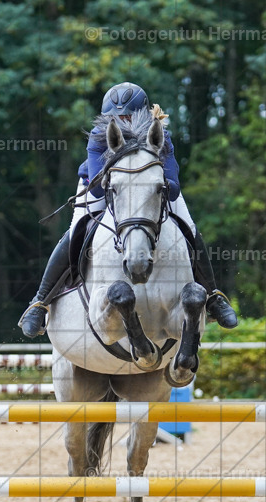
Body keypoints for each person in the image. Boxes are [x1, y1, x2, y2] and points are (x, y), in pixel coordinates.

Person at [18, 82, 238, 337]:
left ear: (142, 115)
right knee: (76, 229)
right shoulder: (100, 135)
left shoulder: (160, 135)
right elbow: (98, 190)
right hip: (103, 185)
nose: (122, 121)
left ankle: (213, 296)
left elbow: (174, 188)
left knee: (188, 226)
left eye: (128, 116)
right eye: (116, 117)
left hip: (151, 186)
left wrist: (150, 180)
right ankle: (39, 302)